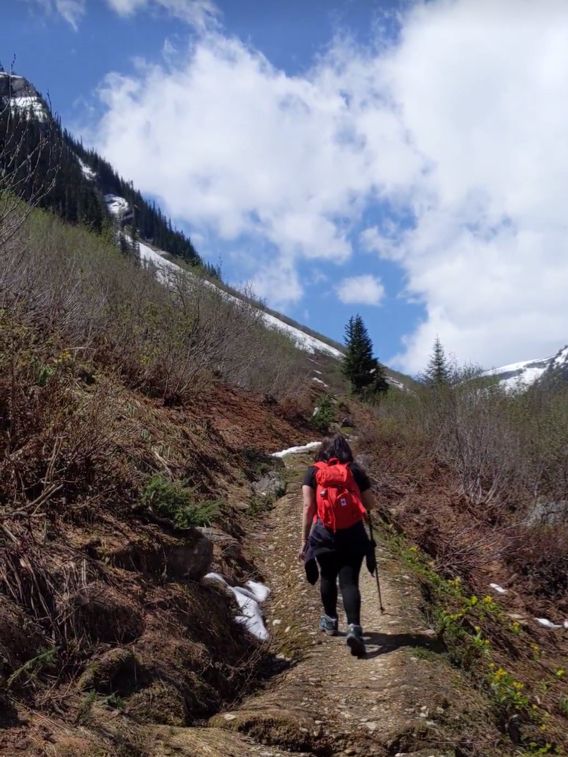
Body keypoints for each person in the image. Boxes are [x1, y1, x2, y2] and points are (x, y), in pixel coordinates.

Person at [298, 433, 375, 657]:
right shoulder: (355, 471)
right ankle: (355, 628)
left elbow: (308, 507)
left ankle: (330, 621)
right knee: (349, 582)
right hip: (353, 534)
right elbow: (371, 504)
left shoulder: (313, 472)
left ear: (323, 450)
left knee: (328, 576)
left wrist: (304, 541)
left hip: (323, 534)